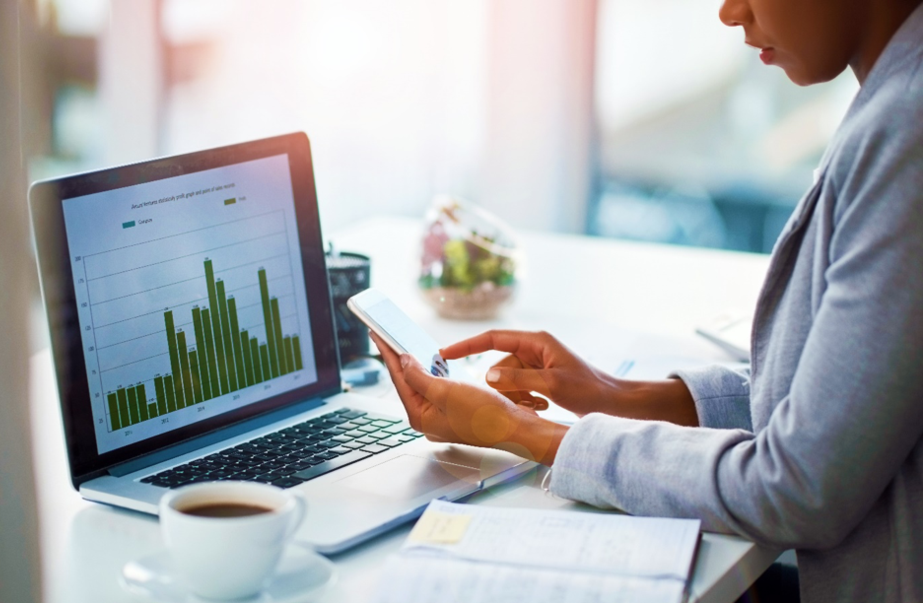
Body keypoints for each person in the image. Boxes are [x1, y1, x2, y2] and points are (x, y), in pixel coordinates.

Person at [370, 0, 923, 601]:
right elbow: (845, 404)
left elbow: (799, 486)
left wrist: (527, 432)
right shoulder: (893, 100)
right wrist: (617, 395)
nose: (729, 13)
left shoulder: (908, 131)